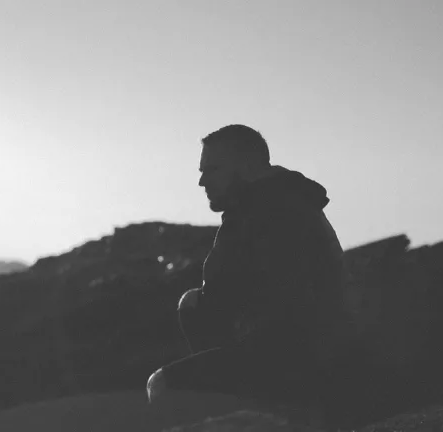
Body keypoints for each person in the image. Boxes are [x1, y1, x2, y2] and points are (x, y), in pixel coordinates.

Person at [147, 125, 348, 412]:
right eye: (201, 171)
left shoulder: (271, 211)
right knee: (192, 304)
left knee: (161, 385)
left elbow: (286, 307)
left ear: (248, 165)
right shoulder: (274, 200)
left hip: (297, 356)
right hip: (300, 346)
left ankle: (262, 412)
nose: (202, 182)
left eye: (213, 169)